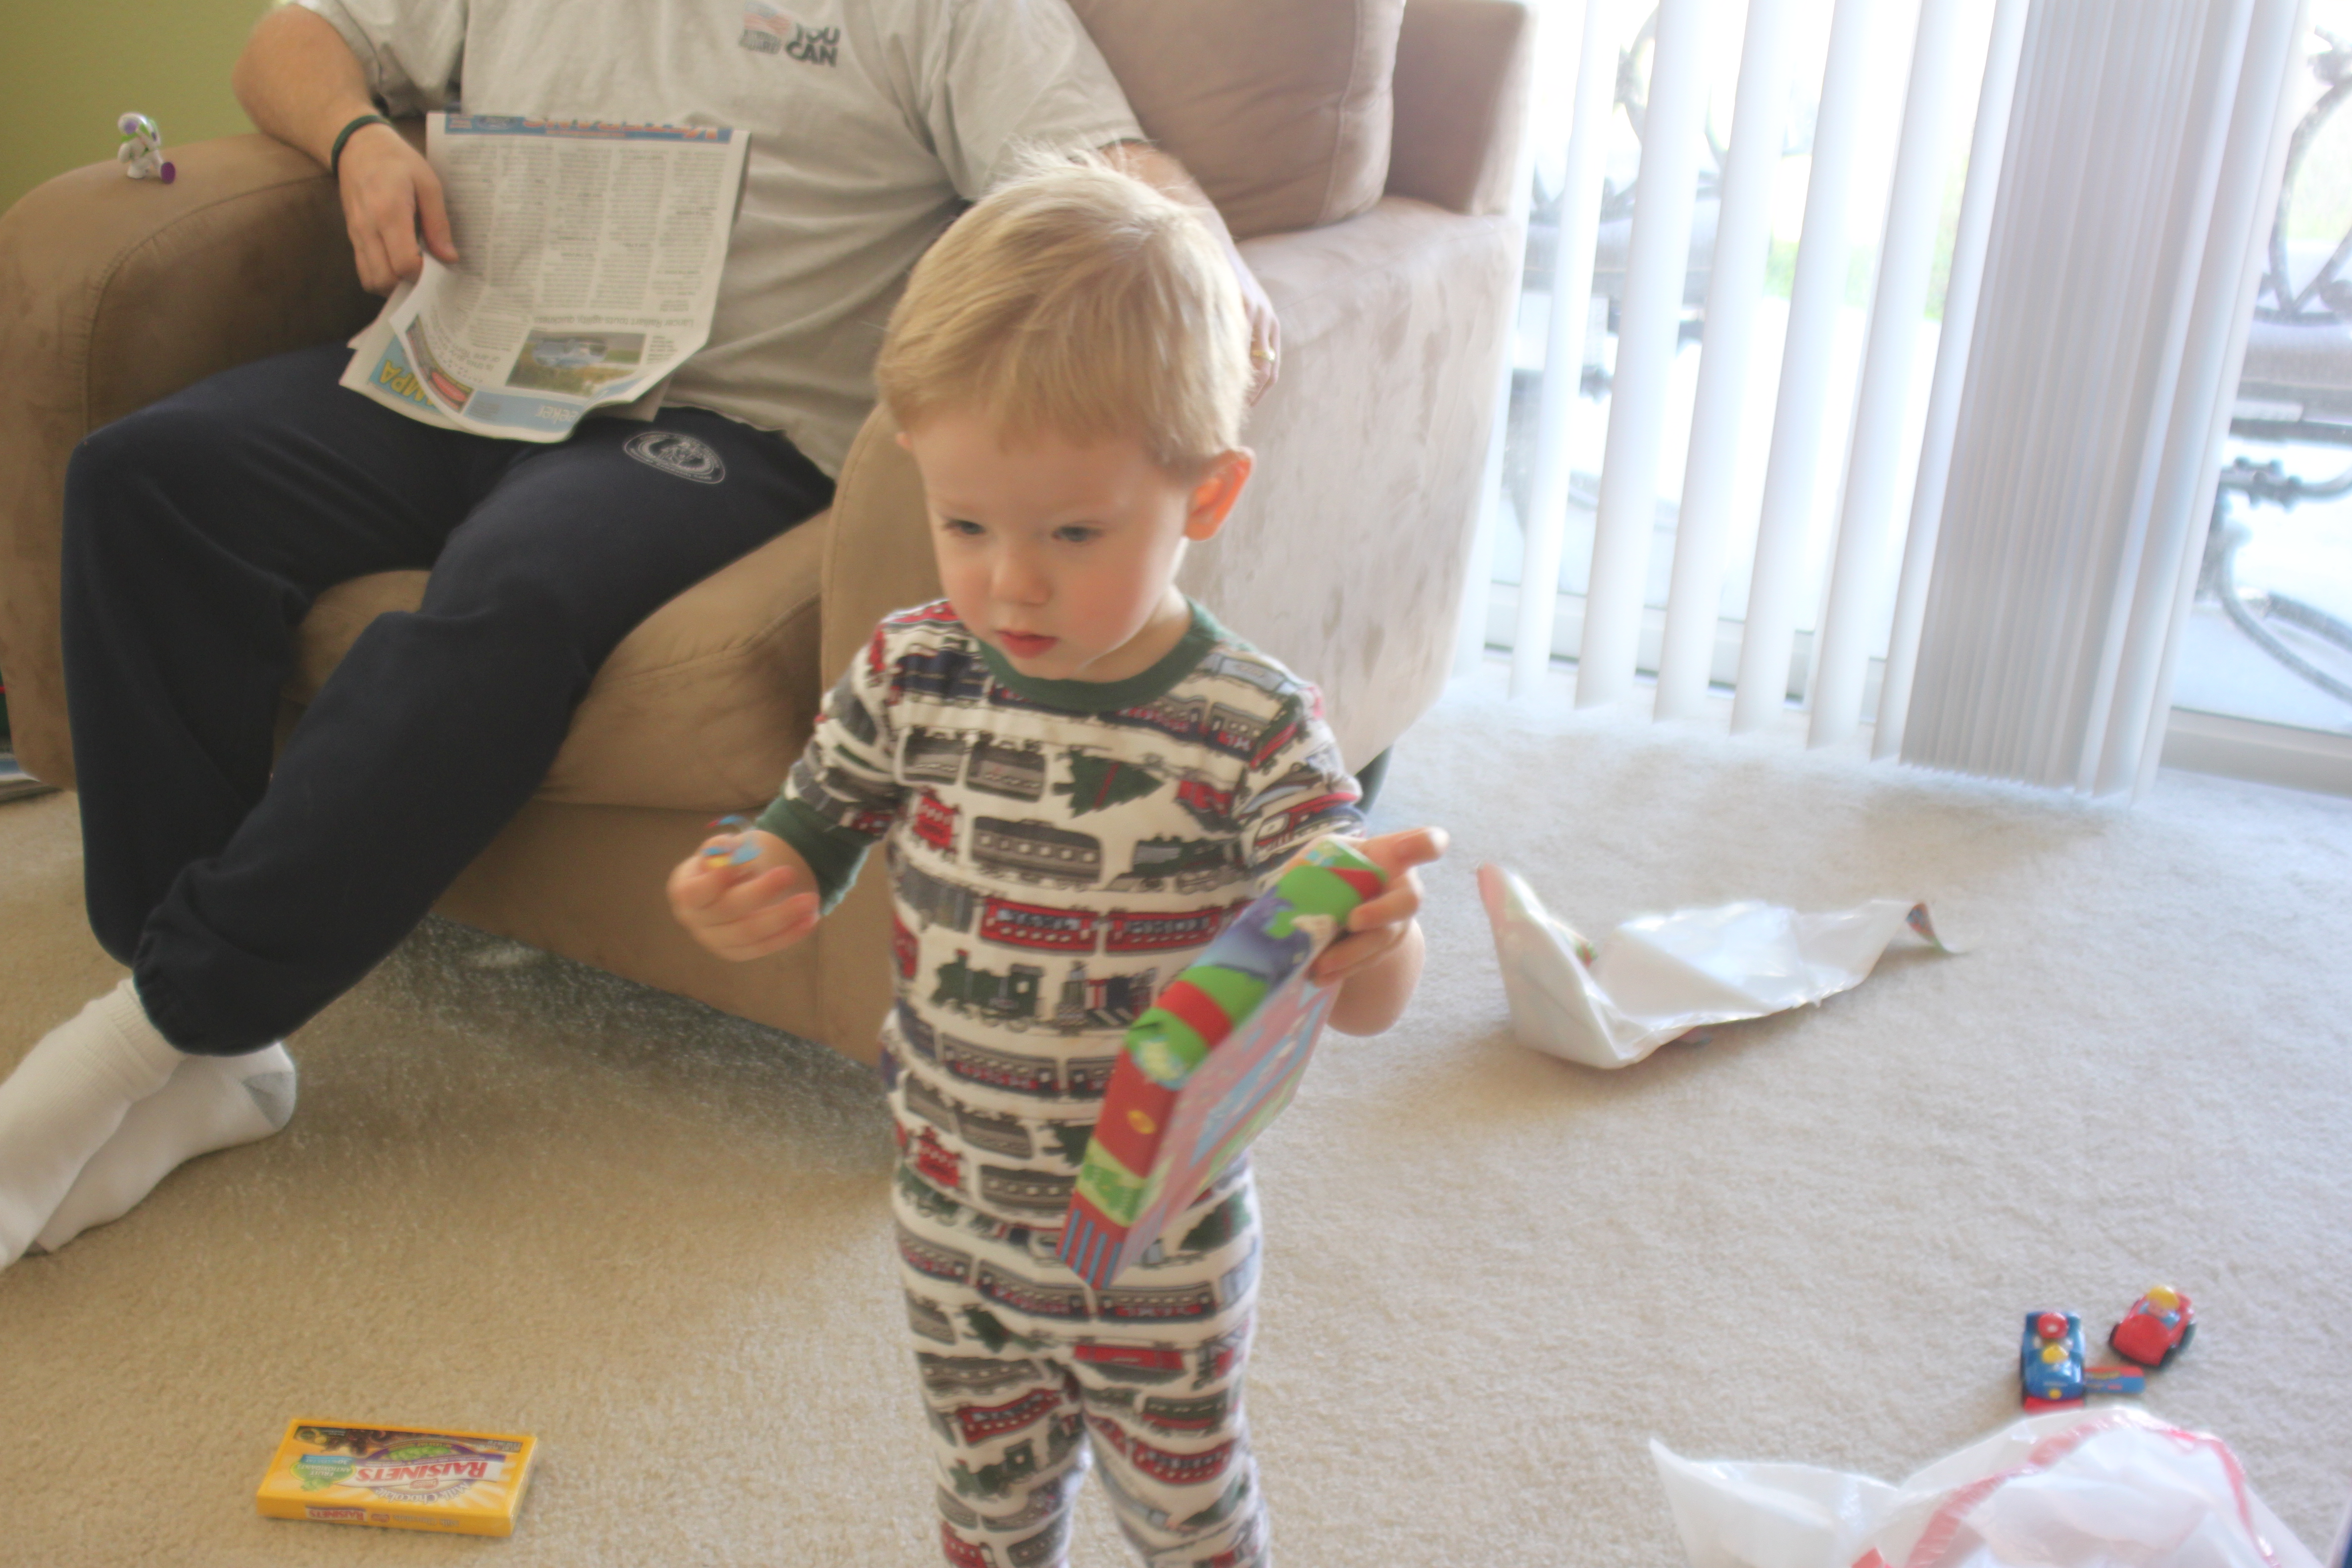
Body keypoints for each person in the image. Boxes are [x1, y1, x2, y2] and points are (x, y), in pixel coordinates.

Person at [0, 0, 1281, 1270]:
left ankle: (145, 1036)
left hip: (715, 423)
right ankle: (207, 1045)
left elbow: (1108, 170)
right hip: (462, 371)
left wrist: (1207, 258)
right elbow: (291, 37)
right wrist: (357, 138)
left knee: (512, 597)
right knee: (143, 482)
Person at [668, 160, 1443, 1568]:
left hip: (1160, 1248)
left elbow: (1368, 1001)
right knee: (988, 1504)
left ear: (1207, 494)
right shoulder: (911, 670)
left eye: (1074, 533)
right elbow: (812, 826)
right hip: (951, 1214)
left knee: (1188, 1512)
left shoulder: (1255, 727)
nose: (1008, 582)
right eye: (964, 524)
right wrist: (758, 875)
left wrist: (1375, 938)